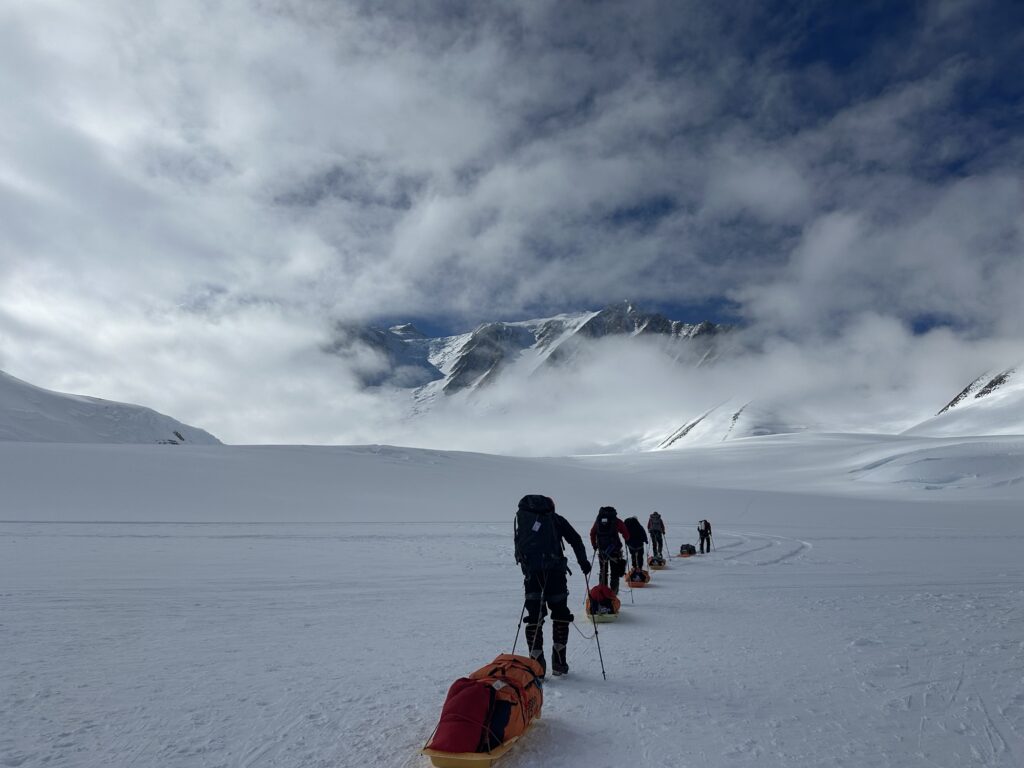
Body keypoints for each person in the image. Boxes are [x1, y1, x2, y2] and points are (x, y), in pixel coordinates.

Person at [513, 494, 591, 677]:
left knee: (534, 617)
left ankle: (536, 662)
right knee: (561, 614)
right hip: (556, 573)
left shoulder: (523, 520)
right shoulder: (556, 519)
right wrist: (583, 562)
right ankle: (559, 660)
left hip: (532, 575)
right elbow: (575, 540)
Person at [590, 506, 630, 594]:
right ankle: (613, 594)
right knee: (614, 573)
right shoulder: (616, 520)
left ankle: (602, 593)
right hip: (615, 551)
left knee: (603, 572)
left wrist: (594, 545)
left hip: (602, 551)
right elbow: (625, 533)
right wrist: (626, 538)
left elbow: (592, 533)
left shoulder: (598, 521)